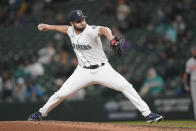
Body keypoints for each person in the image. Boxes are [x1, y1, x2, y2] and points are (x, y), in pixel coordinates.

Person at [28, 10, 163, 123]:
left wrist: (111, 38)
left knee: (126, 86)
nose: (82, 22)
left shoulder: (90, 30)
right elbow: (64, 29)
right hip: (82, 71)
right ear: (72, 23)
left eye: (83, 20)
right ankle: (40, 113)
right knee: (61, 94)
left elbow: (104, 29)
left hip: (102, 69)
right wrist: (49, 26)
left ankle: (148, 115)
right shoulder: (71, 30)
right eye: (78, 21)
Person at [185, 46, 196, 120]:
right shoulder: (189, 61)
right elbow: (188, 74)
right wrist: (187, 85)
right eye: (194, 51)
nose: (194, 52)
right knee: (195, 100)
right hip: (193, 82)